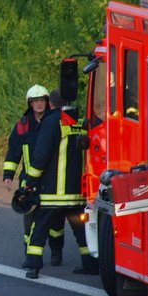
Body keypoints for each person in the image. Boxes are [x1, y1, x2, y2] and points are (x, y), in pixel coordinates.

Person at [23, 90, 98, 279]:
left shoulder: (51, 122)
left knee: (39, 228)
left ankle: (33, 267)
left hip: (52, 193)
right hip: (76, 193)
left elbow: (40, 156)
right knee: (82, 230)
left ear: (50, 104)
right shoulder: (80, 122)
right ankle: (90, 264)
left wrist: (30, 182)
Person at [3, 84, 63, 266]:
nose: (39, 104)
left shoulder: (54, 122)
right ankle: (30, 254)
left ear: (47, 102)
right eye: (35, 101)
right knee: (29, 221)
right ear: (29, 104)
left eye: (42, 100)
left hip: (51, 181)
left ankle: (56, 250)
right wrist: (8, 173)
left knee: (56, 222)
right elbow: (14, 150)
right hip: (28, 181)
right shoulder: (22, 126)